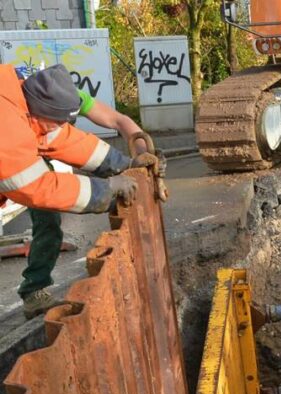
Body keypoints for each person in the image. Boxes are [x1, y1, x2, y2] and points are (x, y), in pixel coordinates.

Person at [0, 63, 162, 319]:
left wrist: (127, 165)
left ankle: (34, 292)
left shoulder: (29, 100)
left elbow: (64, 139)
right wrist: (107, 190)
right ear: (40, 113)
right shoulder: (7, 123)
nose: (59, 126)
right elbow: (36, 187)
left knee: (48, 218)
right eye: (56, 122)